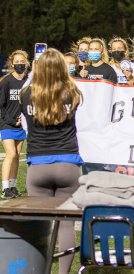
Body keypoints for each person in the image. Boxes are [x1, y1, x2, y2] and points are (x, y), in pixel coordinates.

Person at [20, 48, 83, 274]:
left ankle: (39, 270)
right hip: (68, 163)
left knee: (40, 226)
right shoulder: (72, 91)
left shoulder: (26, 93)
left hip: (38, 165)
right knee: (66, 224)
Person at [0, 50, 29, 198]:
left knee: (17, 155)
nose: (19, 64)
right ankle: (5, 189)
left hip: (21, 125)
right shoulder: (6, 81)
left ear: (27, 62)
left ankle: (12, 186)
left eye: (22, 61)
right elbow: (1, 106)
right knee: (10, 154)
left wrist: (23, 120)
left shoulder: (28, 81)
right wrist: (12, 121)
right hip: (7, 124)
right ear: (12, 64)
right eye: (16, 62)